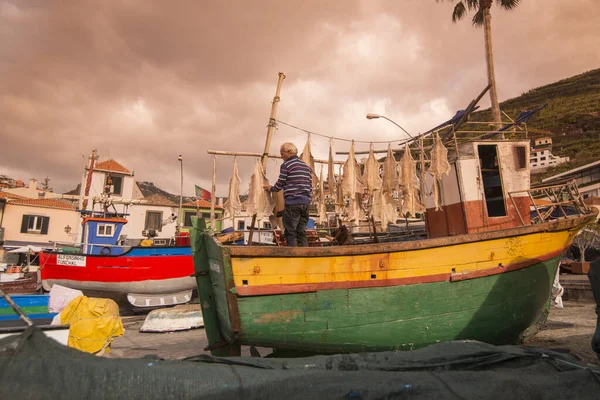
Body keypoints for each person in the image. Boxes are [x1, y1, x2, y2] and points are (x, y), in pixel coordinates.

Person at [264, 142, 312, 246]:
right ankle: (305, 255)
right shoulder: (307, 167)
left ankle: (292, 256)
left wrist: (270, 188)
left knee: (290, 232)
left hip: (293, 203)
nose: (281, 156)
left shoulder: (286, 165)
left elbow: (280, 184)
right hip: (306, 204)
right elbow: (310, 185)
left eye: (282, 154)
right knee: (301, 232)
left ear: (289, 152)